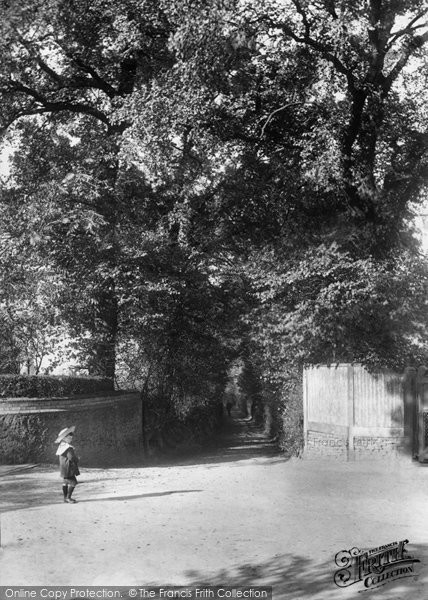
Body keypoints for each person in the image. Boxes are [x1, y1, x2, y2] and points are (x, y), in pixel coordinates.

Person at [55, 425, 80, 504]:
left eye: (71, 438)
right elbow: (71, 457)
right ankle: (68, 498)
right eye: (69, 437)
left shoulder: (61, 446)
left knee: (65, 482)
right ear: (64, 438)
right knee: (73, 483)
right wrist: (77, 459)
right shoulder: (68, 448)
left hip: (63, 468)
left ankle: (65, 498)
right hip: (69, 468)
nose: (71, 439)